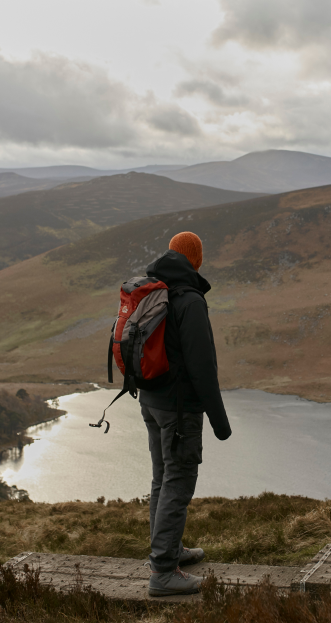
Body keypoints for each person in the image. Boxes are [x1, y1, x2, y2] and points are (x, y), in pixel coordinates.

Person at [140, 232, 232, 596]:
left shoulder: (154, 288)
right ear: (196, 259)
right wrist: (220, 423)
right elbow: (202, 366)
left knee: (162, 477)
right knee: (178, 479)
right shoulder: (189, 299)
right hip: (179, 409)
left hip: (152, 401)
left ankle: (168, 551)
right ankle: (163, 571)